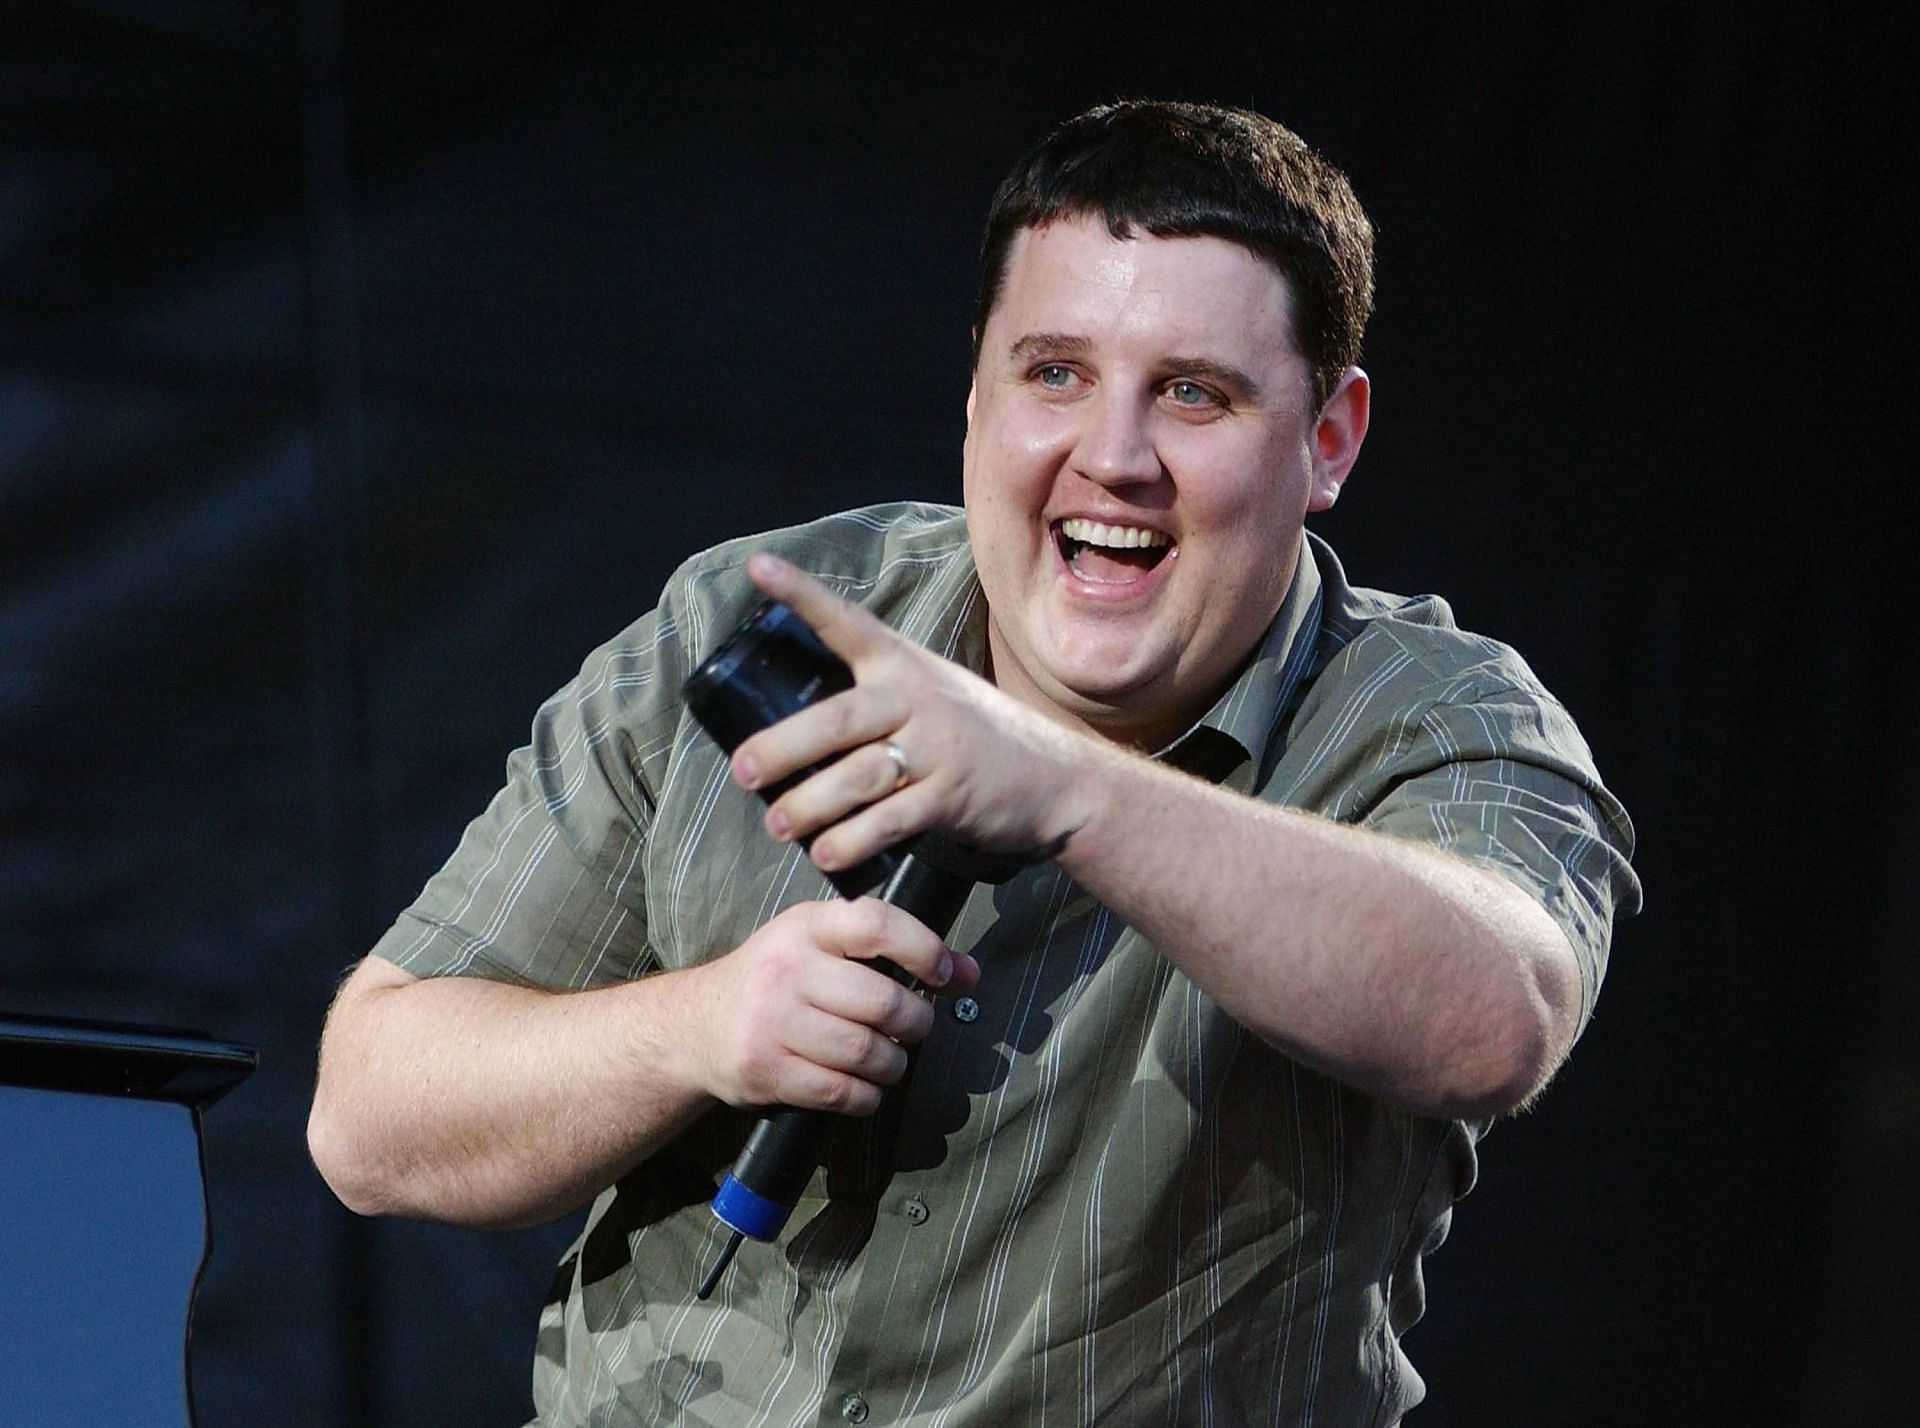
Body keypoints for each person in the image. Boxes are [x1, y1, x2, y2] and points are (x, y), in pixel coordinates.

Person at [309, 100, 1639, 1425]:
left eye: (1194, 394)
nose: (1113, 460)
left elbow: (1492, 1019)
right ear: (976, 393)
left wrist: (1063, 787)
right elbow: (371, 1120)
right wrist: (696, 1027)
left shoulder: (1426, 716)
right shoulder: (764, 618)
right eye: (1053, 374)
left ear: (1328, 439)